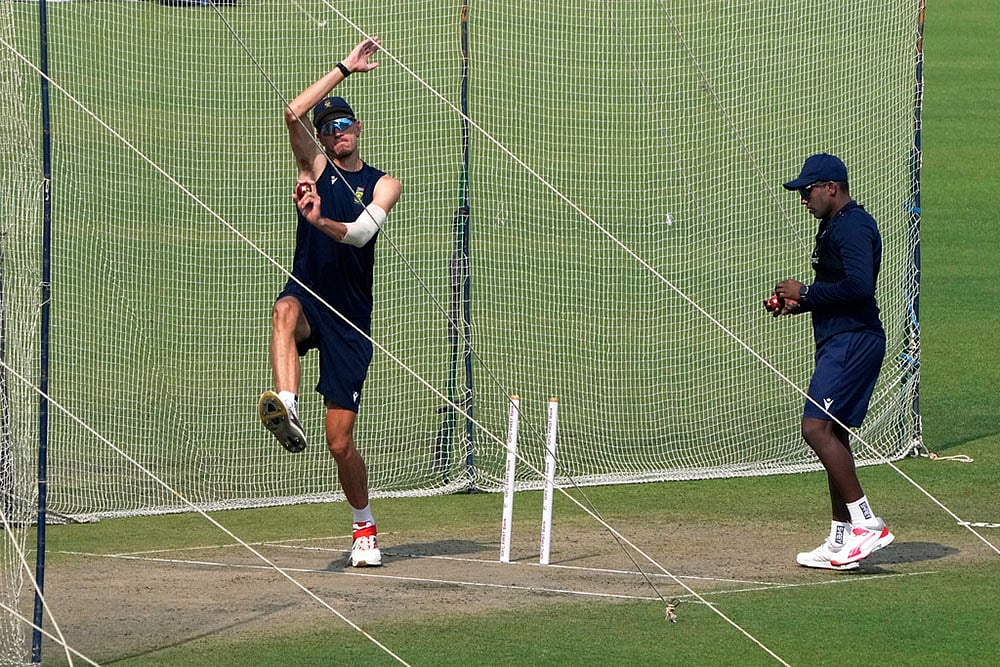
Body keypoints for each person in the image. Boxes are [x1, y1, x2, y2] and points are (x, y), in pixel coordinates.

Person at [258, 35, 401, 568]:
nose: (338, 132)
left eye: (345, 124)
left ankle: (364, 526)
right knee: (283, 311)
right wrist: (344, 67)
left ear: (357, 130)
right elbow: (291, 112)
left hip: (350, 322)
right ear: (321, 139)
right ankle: (286, 405)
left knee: (339, 443)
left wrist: (319, 221)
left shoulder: (384, 182)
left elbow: (363, 234)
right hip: (309, 299)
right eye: (328, 127)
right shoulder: (314, 168)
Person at [771, 153, 893, 570]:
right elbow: (837, 289)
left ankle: (866, 524)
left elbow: (860, 286)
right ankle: (841, 539)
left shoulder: (854, 226)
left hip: (853, 342)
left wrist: (805, 292)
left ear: (830, 188)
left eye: (807, 191)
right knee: (834, 437)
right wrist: (798, 304)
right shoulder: (834, 226)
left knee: (815, 427)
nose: (803, 199)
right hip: (840, 340)